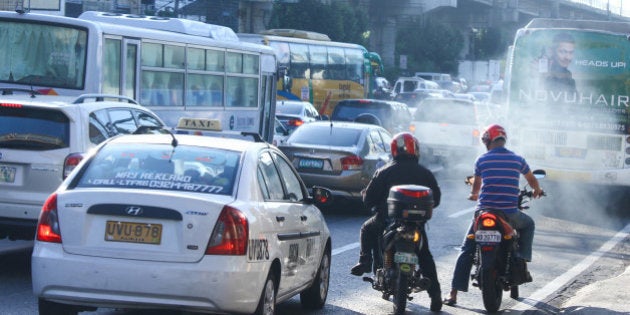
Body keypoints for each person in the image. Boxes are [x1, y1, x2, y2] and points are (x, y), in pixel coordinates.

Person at [443, 124, 543, 306]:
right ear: (503, 140)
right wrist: (537, 190)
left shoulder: (481, 160)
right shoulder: (517, 159)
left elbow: (476, 189)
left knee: (466, 250)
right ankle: (522, 257)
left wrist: (474, 195)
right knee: (528, 225)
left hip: (483, 213)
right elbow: (532, 180)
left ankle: (453, 293)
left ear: (488, 141)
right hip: (509, 214)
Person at [350, 132, 443, 311]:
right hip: (415, 225)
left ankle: (365, 261)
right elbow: (436, 199)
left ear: (394, 150)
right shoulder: (425, 173)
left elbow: (368, 199)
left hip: (386, 220)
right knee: (425, 258)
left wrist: (375, 204)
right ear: (415, 150)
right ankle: (436, 298)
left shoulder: (384, 171)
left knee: (366, 229)